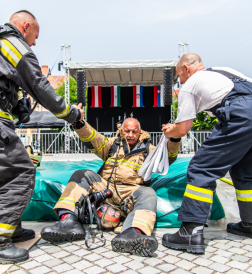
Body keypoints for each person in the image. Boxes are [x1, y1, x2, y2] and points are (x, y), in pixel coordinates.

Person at [0, 10, 84, 264]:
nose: (34, 43)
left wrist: (15, 106)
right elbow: (41, 88)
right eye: (35, 36)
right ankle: (2, 240)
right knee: (20, 172)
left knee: (3, 174)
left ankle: (11, 227)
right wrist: (70, 113)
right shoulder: (14, 46)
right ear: (25, 26)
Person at [41, 117, 181, 257]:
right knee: (81, 174)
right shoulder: (112, 144)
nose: (130, 134)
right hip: (105, 187)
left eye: (134, 131)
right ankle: (69, 221)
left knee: (148, 193)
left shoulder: (149, 150)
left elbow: (167, 156)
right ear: (121, 130)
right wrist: (79, 122)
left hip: (131, 191)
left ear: (140, 132)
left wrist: (174, 137)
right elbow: (93, 137)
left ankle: (133, 233)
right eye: (127, 131)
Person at [161, 53, 252, 254]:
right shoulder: (224, 71)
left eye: (179, 76)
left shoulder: (190, 84)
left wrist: (170, 131)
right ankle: (250, 224)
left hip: (239, 115)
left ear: (186, 68)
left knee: (201, 169)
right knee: (245, 173)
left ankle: (190, 231)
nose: (180, 81)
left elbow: (183, 129)